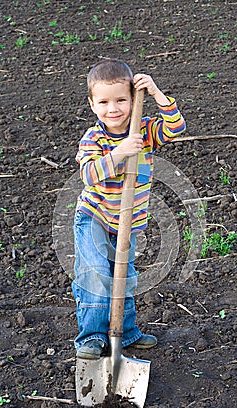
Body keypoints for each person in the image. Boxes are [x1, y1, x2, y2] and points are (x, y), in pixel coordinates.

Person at [72, 58, 186, 359]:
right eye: (104, 102)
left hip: (129, 221)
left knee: (125, 276)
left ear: (133, 99)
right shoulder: (94, 138)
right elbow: (88, 175)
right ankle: (92, 338)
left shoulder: (145, 131)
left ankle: (125, 333)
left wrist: (157, 93)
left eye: (122, 100)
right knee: (95, 273)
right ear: (92, 104)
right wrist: (121, 152)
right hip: (95, 216)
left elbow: (176, 127)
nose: (114, 109)